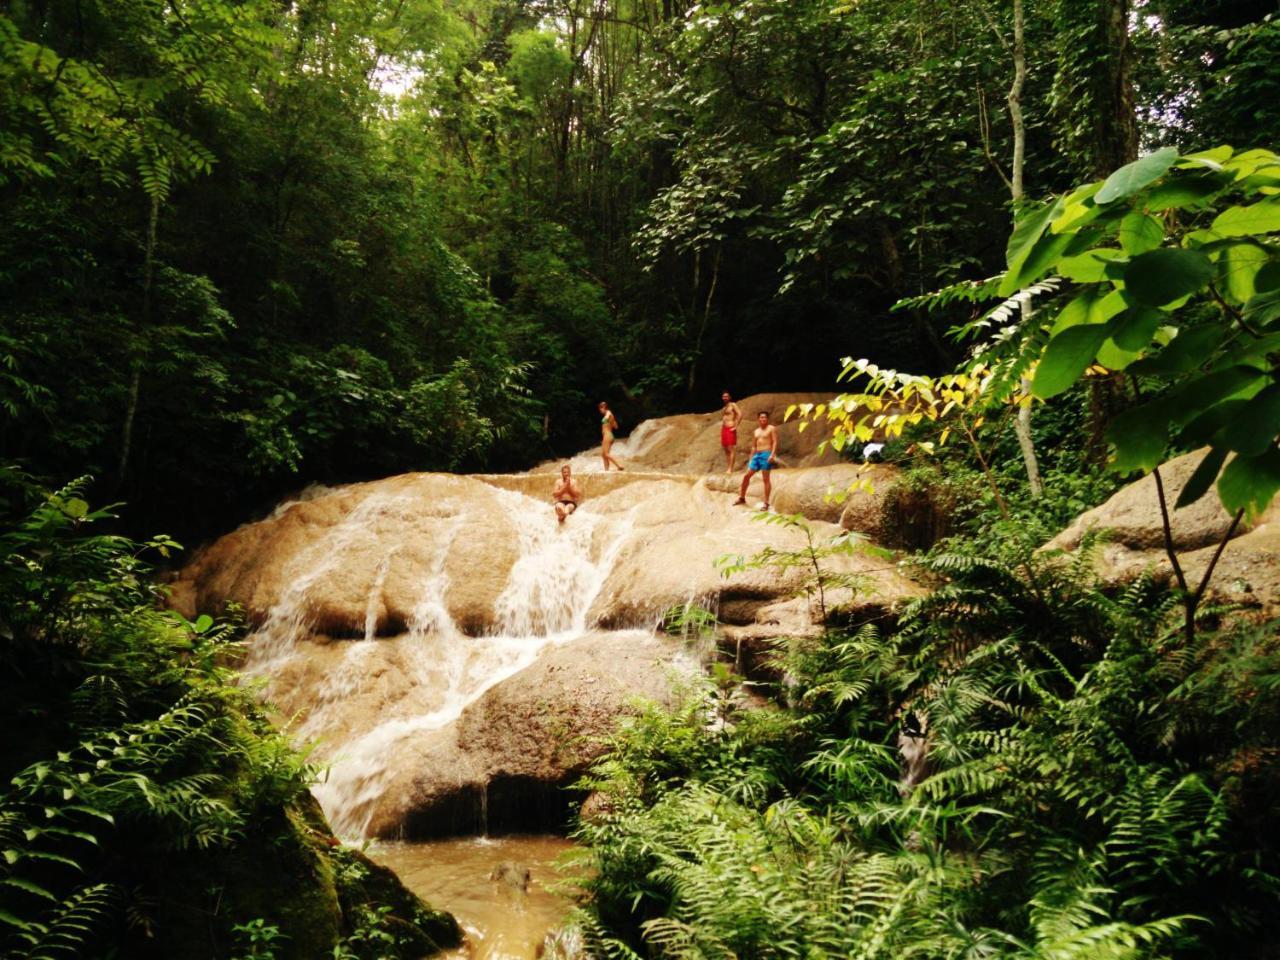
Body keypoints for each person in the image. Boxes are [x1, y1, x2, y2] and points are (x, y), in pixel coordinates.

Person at [735, 411, 778, 510]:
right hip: (757, 455)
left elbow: (775, 441)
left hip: (766, 454)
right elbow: (754, 446)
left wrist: (772, 454)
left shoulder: (771, 428)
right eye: (761, 417)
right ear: (758, 419)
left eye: (765, 417)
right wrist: (751, 459)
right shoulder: (756, 431)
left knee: (765, 479)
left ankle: (766, 503)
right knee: (746, 476)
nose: (763, 419)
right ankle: (742, 498)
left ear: (767, 419)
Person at [719, 391, 742, 473]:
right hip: (724, 428)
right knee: (725, 448)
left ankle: (731, 469)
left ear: (729, 397)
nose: (725, 398)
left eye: (726, 396)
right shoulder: (724, 407)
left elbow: (740, 414)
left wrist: (736, 425)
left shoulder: (733, 405)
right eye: (723, 396)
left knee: (731, 448)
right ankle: (728, 467)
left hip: (730, 427)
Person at [598, 401, 624, 471]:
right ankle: (606, 470)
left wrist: (608, 416)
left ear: (604, 408)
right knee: (603, 455)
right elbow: (616, 427)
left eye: (601, 409)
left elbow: (608, 415)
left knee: (606, 454)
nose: (600, 411)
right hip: (608, 435)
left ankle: (619, 465)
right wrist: (611, 422)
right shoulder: (610, 416)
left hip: (607, 435)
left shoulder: (608, 413)